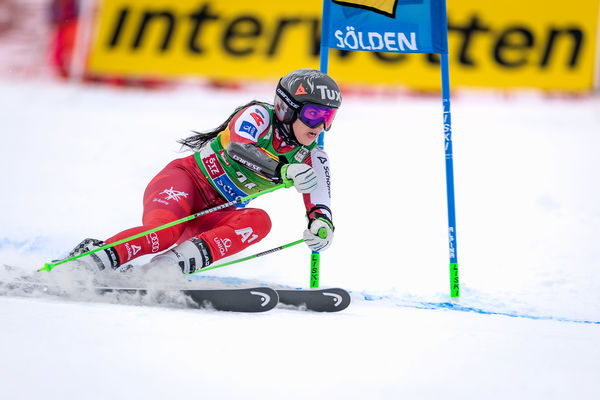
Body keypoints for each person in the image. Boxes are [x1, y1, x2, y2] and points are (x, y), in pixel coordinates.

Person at [64, 68, 342, 274]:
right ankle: (88, 261)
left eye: (328, 117)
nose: (320, 127)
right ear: (285, 108)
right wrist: (283, 170)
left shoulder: (314, 155)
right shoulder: (258, 115)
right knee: (164, 233)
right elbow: (238, 148)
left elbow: (320, 202)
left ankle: (166, 269)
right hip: (185, 183)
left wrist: (322, 225)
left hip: (215, 212)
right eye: (313, 115)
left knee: (259, 221)